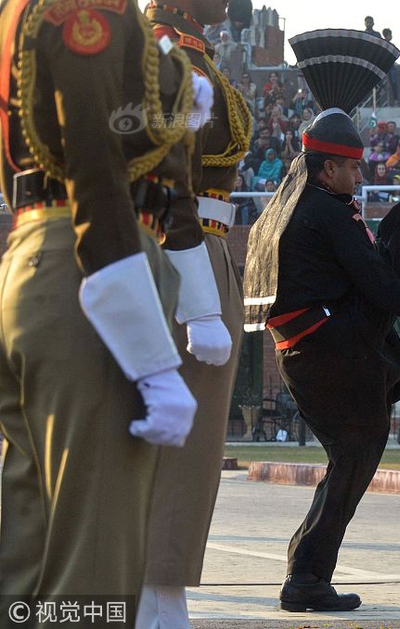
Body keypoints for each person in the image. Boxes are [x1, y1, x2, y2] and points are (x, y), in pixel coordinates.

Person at [242, 30, 400, 612]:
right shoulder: (326, 211)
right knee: (395, 251)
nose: (360, 178)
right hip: (328, 348)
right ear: (327, 170)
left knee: (349, 459)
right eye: (352, 170)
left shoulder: (291, 201)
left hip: (307, 350)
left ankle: (306, 572)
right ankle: (306, 580)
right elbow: (379, 287)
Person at [0, 0, 199, 601]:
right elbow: (91, 151)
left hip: (47, 251)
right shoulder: (86, 8)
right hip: (91, 259)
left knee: (32, 555)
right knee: (94, 561)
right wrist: (149, 355)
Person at [143, 0, 255, 623]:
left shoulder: (170, 53)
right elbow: (172, 181)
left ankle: (149, 596)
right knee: (189, 440)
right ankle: (162, 598)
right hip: (190, 250)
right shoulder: (181, 60)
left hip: (171, 249)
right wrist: (200, 302)